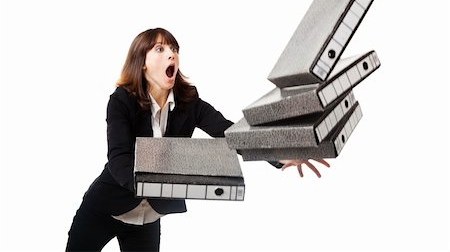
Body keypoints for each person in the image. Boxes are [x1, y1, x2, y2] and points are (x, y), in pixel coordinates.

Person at [66, 28, 330, 251]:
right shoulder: (121, 101)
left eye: (174, 49)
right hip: (105, 208)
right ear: (142, 62)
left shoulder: (189, 103)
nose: (171, 54)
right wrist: (152, 184)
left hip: (148, 218)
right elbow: (119, 159)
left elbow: (229, 132)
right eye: (159, 49)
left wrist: (279, 155)